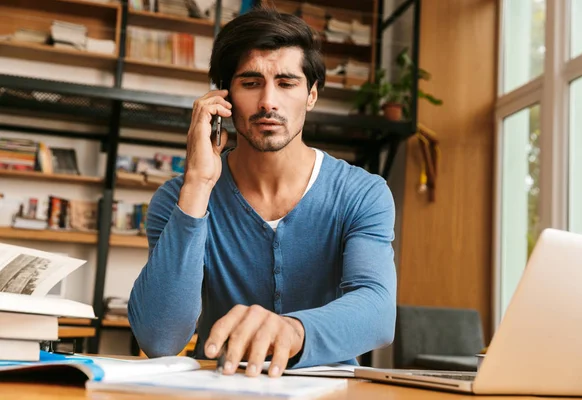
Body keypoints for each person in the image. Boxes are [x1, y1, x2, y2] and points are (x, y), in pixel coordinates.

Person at [128, 7, 397, 378]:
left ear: (311, 95)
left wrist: (293, 330)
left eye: (286, 83)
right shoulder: (178, 197)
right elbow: (159, 339)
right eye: (251, 83)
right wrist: (197, 186)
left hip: (328, 389)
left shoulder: (362, 193)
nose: (268, 101)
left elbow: (378, 312)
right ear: (224, 99)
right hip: (222, 388)